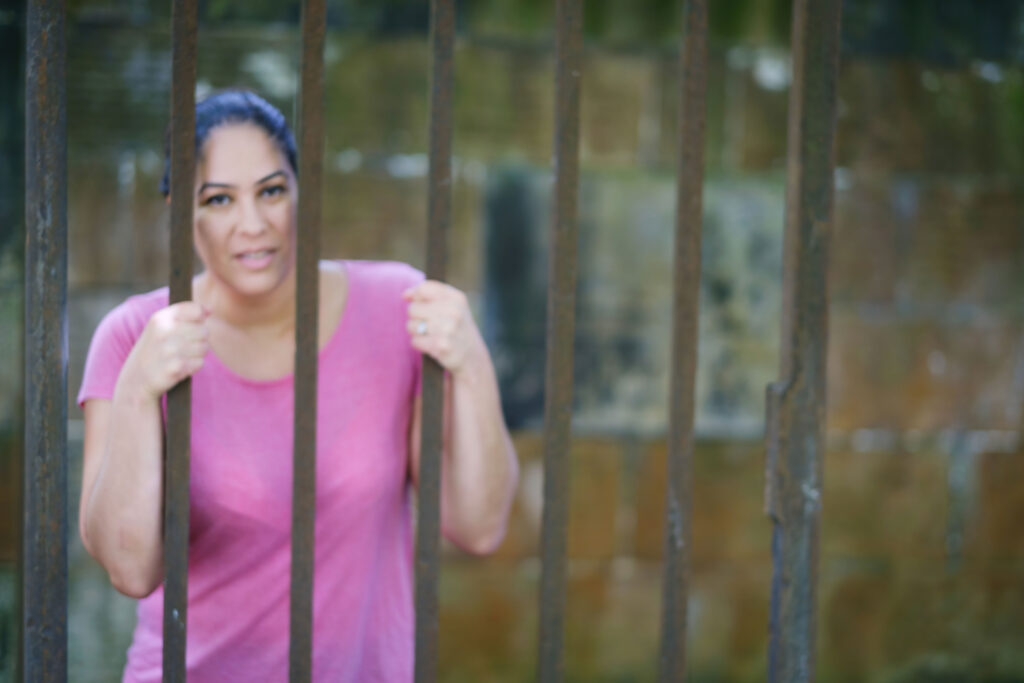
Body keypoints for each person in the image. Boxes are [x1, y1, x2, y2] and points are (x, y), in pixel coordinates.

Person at [76, 89, 519, 682]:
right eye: (218, 200)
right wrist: (136, 392)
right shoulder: (134, 335)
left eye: (271, 191)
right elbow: (130, 570)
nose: (252, 224)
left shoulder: (394, 309)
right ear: (179, 208)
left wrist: (473, 364)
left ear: (299, 192)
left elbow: (478, 525)